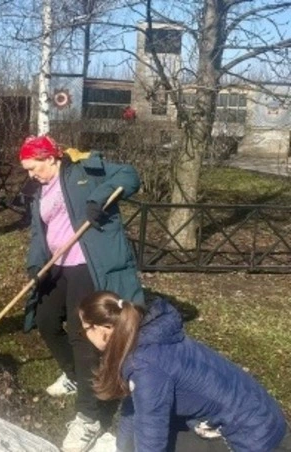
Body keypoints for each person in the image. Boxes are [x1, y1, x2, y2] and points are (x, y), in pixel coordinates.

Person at [19, 135, 144, 452]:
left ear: (49, 158)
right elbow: (39, 232)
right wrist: (36, 265)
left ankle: (89, 416)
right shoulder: (39, 191)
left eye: (33, 168)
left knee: (80, 331)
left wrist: (98, 199)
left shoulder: (82, 168)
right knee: (46, 321)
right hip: (56, 264)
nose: (31, 175)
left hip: (88, 262)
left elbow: (129, 175)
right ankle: (77, 375)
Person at [79, 291, 291, 452]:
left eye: (86, 328)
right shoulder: (147, 335)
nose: (83, 334)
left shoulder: (145, 366)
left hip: (253, 438)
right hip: (260, 414)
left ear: (105, 329)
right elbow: (133, 408)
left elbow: (151, 435)